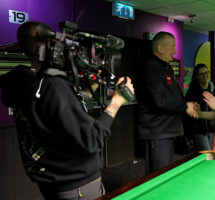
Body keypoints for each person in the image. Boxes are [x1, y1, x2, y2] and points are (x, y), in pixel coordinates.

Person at [0, 21, 134, 200]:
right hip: (77, 186)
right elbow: (91, 139)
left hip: (52, 180)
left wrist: (87, 89)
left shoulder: (24, 82)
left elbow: (58, 116)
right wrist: (117, 101)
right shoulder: (53, 87)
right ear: (46, 45)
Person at [136, 31, 198, 173]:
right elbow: (161, 100)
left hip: (167, 132)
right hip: (157, 133)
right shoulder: (151, 67)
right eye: (172, 47)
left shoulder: (166, 67)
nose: (175, 51)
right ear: (160, 48)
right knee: (158, 175)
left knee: (165, 173)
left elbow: (173, 95)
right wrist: (185, 106)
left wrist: (188, 106)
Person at [184, 63, 215, 151]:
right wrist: (188, 135)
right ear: (197, 76)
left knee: (212, 153)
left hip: (213, 129)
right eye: (201, 74)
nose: (205, 76)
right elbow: (186, 115)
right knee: (208, 154)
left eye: (206, 72)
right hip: (198, 130)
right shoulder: (192, 92)